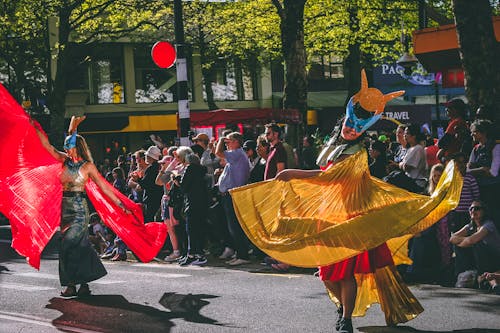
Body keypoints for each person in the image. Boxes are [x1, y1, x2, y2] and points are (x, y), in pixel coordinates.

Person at [230, 70, 462, 332]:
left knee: (344, 271)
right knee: (327, 273)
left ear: (362, 132)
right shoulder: (337, 146)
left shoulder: (357, 154)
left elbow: (328, 177)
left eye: (355, 129)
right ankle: (343, 308)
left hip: (352, 221)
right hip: (330, 217)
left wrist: (292, 173)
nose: (350, 130)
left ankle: (346, 318)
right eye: (348, 125)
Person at [35, 116, 130, 297]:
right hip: (65, 207)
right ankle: (82, 284)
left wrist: (119, 203)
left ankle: (72, 285)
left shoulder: (88, 167)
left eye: (69, 147)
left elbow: (104, 187)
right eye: (65, 147)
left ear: (77, 148)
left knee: (71, 244)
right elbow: (48, 147)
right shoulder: (63, 161)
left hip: (79, 208)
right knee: (74, 245)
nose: (66, 150)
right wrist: (35, 128)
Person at [215, 132, 251, 266]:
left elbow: (218, 153)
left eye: (228, 141)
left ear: (236, 142)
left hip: (233, 195)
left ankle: (243, 254)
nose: (226, 144)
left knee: (235, 226)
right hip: (229, 195)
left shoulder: (237, 153)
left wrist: (220, 140)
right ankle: (239, 252)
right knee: (232, 226)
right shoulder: (236, 155)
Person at [450, 200, 500, 294]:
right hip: (483, 259)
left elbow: (471, 240)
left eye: (476, 208)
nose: (473, 211)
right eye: (471, 209)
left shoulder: (488, 225)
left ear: (484, 211)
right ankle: (462, 274)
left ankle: (483, 276)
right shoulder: (470, 226)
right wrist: (465, 242)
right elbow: (452, 239)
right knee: (459, 246)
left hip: (495, 258)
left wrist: (464, 241)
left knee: (478, 244)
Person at [467, 119, 500, 225]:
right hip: (478, 188)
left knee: (493, 215)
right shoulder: (475, 149)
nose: (472, 134)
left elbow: (493, 172)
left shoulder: (496, 147)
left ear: (484, 132)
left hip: (493, 189)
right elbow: (468, 169)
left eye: (475, 131)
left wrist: (474, 171)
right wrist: (481, 170)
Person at [437, 98, 469, 162]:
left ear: (455, 110)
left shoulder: (456, 122)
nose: (446, 110)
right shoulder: (463, 121)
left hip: (452, 159)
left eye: (449, 108)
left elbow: (442, 143)